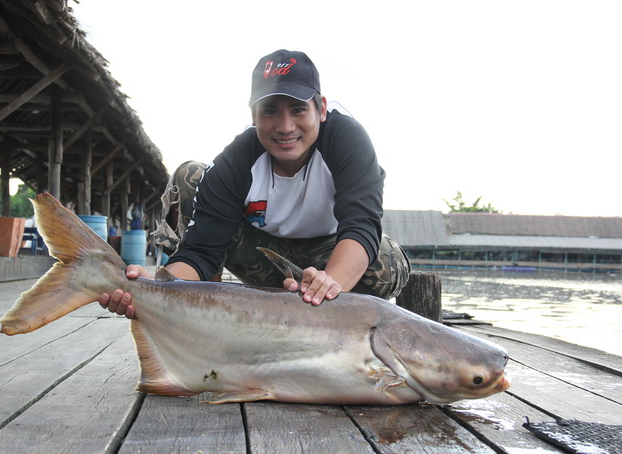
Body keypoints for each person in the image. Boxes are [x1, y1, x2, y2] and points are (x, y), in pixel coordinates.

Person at [100, 49, 410, 318]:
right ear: (253, 116)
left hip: (329, 257)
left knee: (386, 261)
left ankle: (330, 321)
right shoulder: (237, 160)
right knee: (189, 174)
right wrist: (151, 287)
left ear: (322, 108)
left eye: (299, 109)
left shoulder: (348, 140)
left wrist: (329, 283)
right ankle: (209, 310)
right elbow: (201, 252)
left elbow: (361, 225)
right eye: (270, 111)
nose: (285, 127)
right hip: (263, 258)